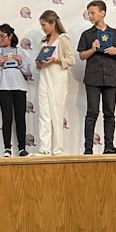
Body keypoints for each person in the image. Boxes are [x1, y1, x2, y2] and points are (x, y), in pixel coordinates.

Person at [77, 0, 116, 155]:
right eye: (89, 13)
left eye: (93, 12)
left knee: (109, 113)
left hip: (111, 77)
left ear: (102, 13)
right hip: (93, 78)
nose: (90, 16)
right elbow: (82, 55)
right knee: (92, 112)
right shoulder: (87, 34)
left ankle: (109, 146)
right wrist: (92, 49)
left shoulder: (115, 33)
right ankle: (88, 149)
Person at [0, 23, 33, 157]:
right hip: (3, 87)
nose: (0, 40)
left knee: (20, 118)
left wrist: (20, 62)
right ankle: (7, 148)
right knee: (7, 118)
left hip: (20, 87)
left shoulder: (20, 51)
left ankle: (22, 148)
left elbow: (28, 72)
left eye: (2, 36)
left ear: (10, 36)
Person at [35, 10, 75, 155]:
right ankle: (44, 148)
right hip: (44, 80)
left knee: (57, 115)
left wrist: (56, 60)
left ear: (53, 23)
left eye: (44, 25)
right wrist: (39, 63)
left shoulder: (63, 39)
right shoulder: (43, 41)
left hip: (58, 81)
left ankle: (58, 149)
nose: (43, 28)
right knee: (44, 114)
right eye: (41, 25)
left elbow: (72, 60)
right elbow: (39, 63)